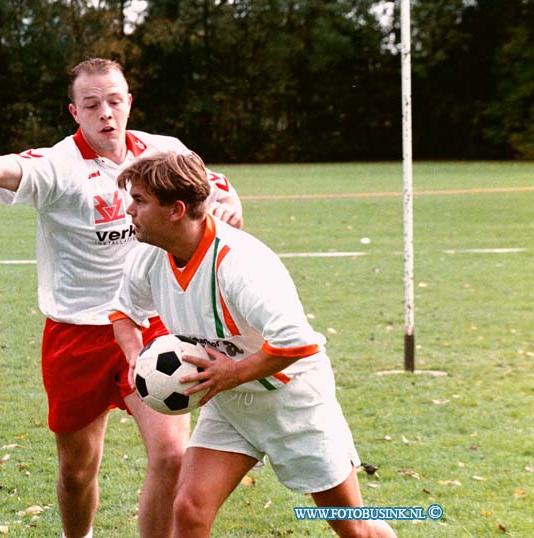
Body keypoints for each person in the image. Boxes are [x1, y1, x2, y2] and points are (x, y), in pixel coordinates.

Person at [0, 58, 243, 538]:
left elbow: (215, 186)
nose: (106, 113)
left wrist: (231, 205)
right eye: (92, 104)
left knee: (171, 453)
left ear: (129, 103)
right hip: (75, 334)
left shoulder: (162, 153)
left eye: (115, 101)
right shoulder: (59, 165)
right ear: (74, 112)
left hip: (151, 325)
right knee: (78, 472)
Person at [109, 152, 396, 537]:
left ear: (176, 210)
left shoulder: (241, 263)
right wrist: (135, 356)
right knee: (190, 509)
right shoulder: (147, 256)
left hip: (292, 402)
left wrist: (233, 372)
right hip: (229, 405)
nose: (129, 210)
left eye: (140, 200)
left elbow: (298, 344)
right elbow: (123, 313)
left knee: (353, 527)